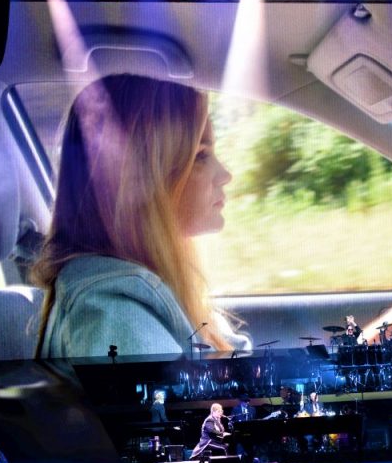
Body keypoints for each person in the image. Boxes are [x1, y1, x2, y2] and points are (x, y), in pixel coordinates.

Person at [32, 74, 251, 359]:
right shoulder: (116, 317)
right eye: (200, 155)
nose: (225, 175)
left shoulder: (142, 295)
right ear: (140, 178)